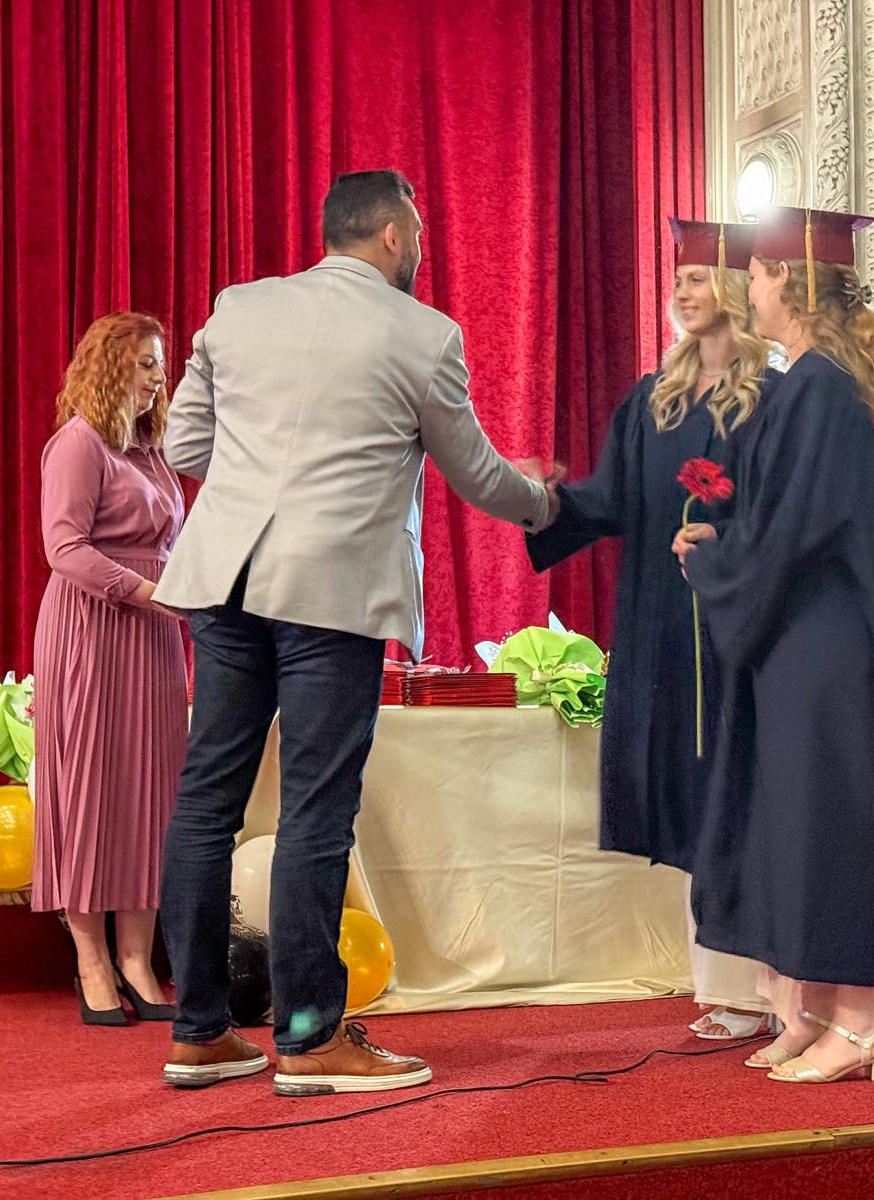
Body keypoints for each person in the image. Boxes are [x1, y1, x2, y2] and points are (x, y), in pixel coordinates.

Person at [153, 169, 556, 1095]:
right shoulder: (422, 332)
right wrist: (544, 500)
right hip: (329, 592)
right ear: (390, 236)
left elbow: (184, 448)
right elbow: (475, 472)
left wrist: (262, 473)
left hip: (225, 581)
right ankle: (308, 1038)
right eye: (417, 231)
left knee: (206, 804)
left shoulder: (238, 308)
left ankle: (198, 1031)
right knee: (315, 810)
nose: (420, 248)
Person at [673, 205, 874, 1083]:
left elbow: (796, 532)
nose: (748, 289)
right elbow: (791, 517)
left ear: (792, 283)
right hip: (809, 638)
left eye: (758, 274)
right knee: (796, 824)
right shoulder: (817, 380)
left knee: (831, 826)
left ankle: (863, 1023)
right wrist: (727, 536)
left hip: (824, 643)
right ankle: (812, 1009)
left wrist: (715, 561)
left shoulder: (820, 386)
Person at [527, 218, 781, 1042]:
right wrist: (540, 499)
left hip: (738, 627)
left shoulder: (773, 399)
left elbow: (789, 514)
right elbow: (607, 500)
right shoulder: (652, 399)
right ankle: (724, 986)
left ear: (734, 289)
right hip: (663, 628)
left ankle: (766, 984)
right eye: (677, 280)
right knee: (689, 797)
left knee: (738, 796)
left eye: (698, 277)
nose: (682, 290)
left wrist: (725, 541)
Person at [32, 311, 186, 1027]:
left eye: (161, 363)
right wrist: (150, 592)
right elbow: (64, 548)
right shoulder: (78, 442)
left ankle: (137, 959)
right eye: (147, 363)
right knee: (89, 791)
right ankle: (91, 960)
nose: (159, 376)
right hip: (92, 629)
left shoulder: (151, 450)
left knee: (151, 794)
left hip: (154, 636)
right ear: (110, 366)